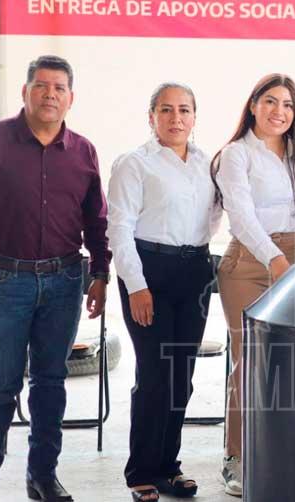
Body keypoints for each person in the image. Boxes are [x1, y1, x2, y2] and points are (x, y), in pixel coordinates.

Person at [0, 55, 109, 502]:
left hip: (64, 281)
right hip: (5, 281)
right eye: (41, 85)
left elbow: (96, 220)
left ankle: (42, 476)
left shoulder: (83, 151)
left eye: (59, 88)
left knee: (51, 382)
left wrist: (99, 272)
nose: (50, 94)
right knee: (2, 383)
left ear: (70, 98)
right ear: (25, 92)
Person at [107, 83, 219, 501]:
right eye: (166, 109)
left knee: (181, 376)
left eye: (184, 110)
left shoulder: (207, 163)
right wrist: (136, 285)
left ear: (195, 116)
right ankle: (141, 471)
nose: (176, 118)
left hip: (195, 272)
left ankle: (168, 467)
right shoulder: (134, 163)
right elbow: (119, 229)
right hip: (148, 271)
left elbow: (214, 215)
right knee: (154, 375)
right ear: (151, 116)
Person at [212, 73, 295, 497]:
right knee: (251, 361)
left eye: (288, 104)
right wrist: (276, 260)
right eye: (271, 101)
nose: (280, 111)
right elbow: (241, 216)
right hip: (251, 263)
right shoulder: (236, 155)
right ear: (253, 105)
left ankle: (285, 450)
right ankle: (236, 457)